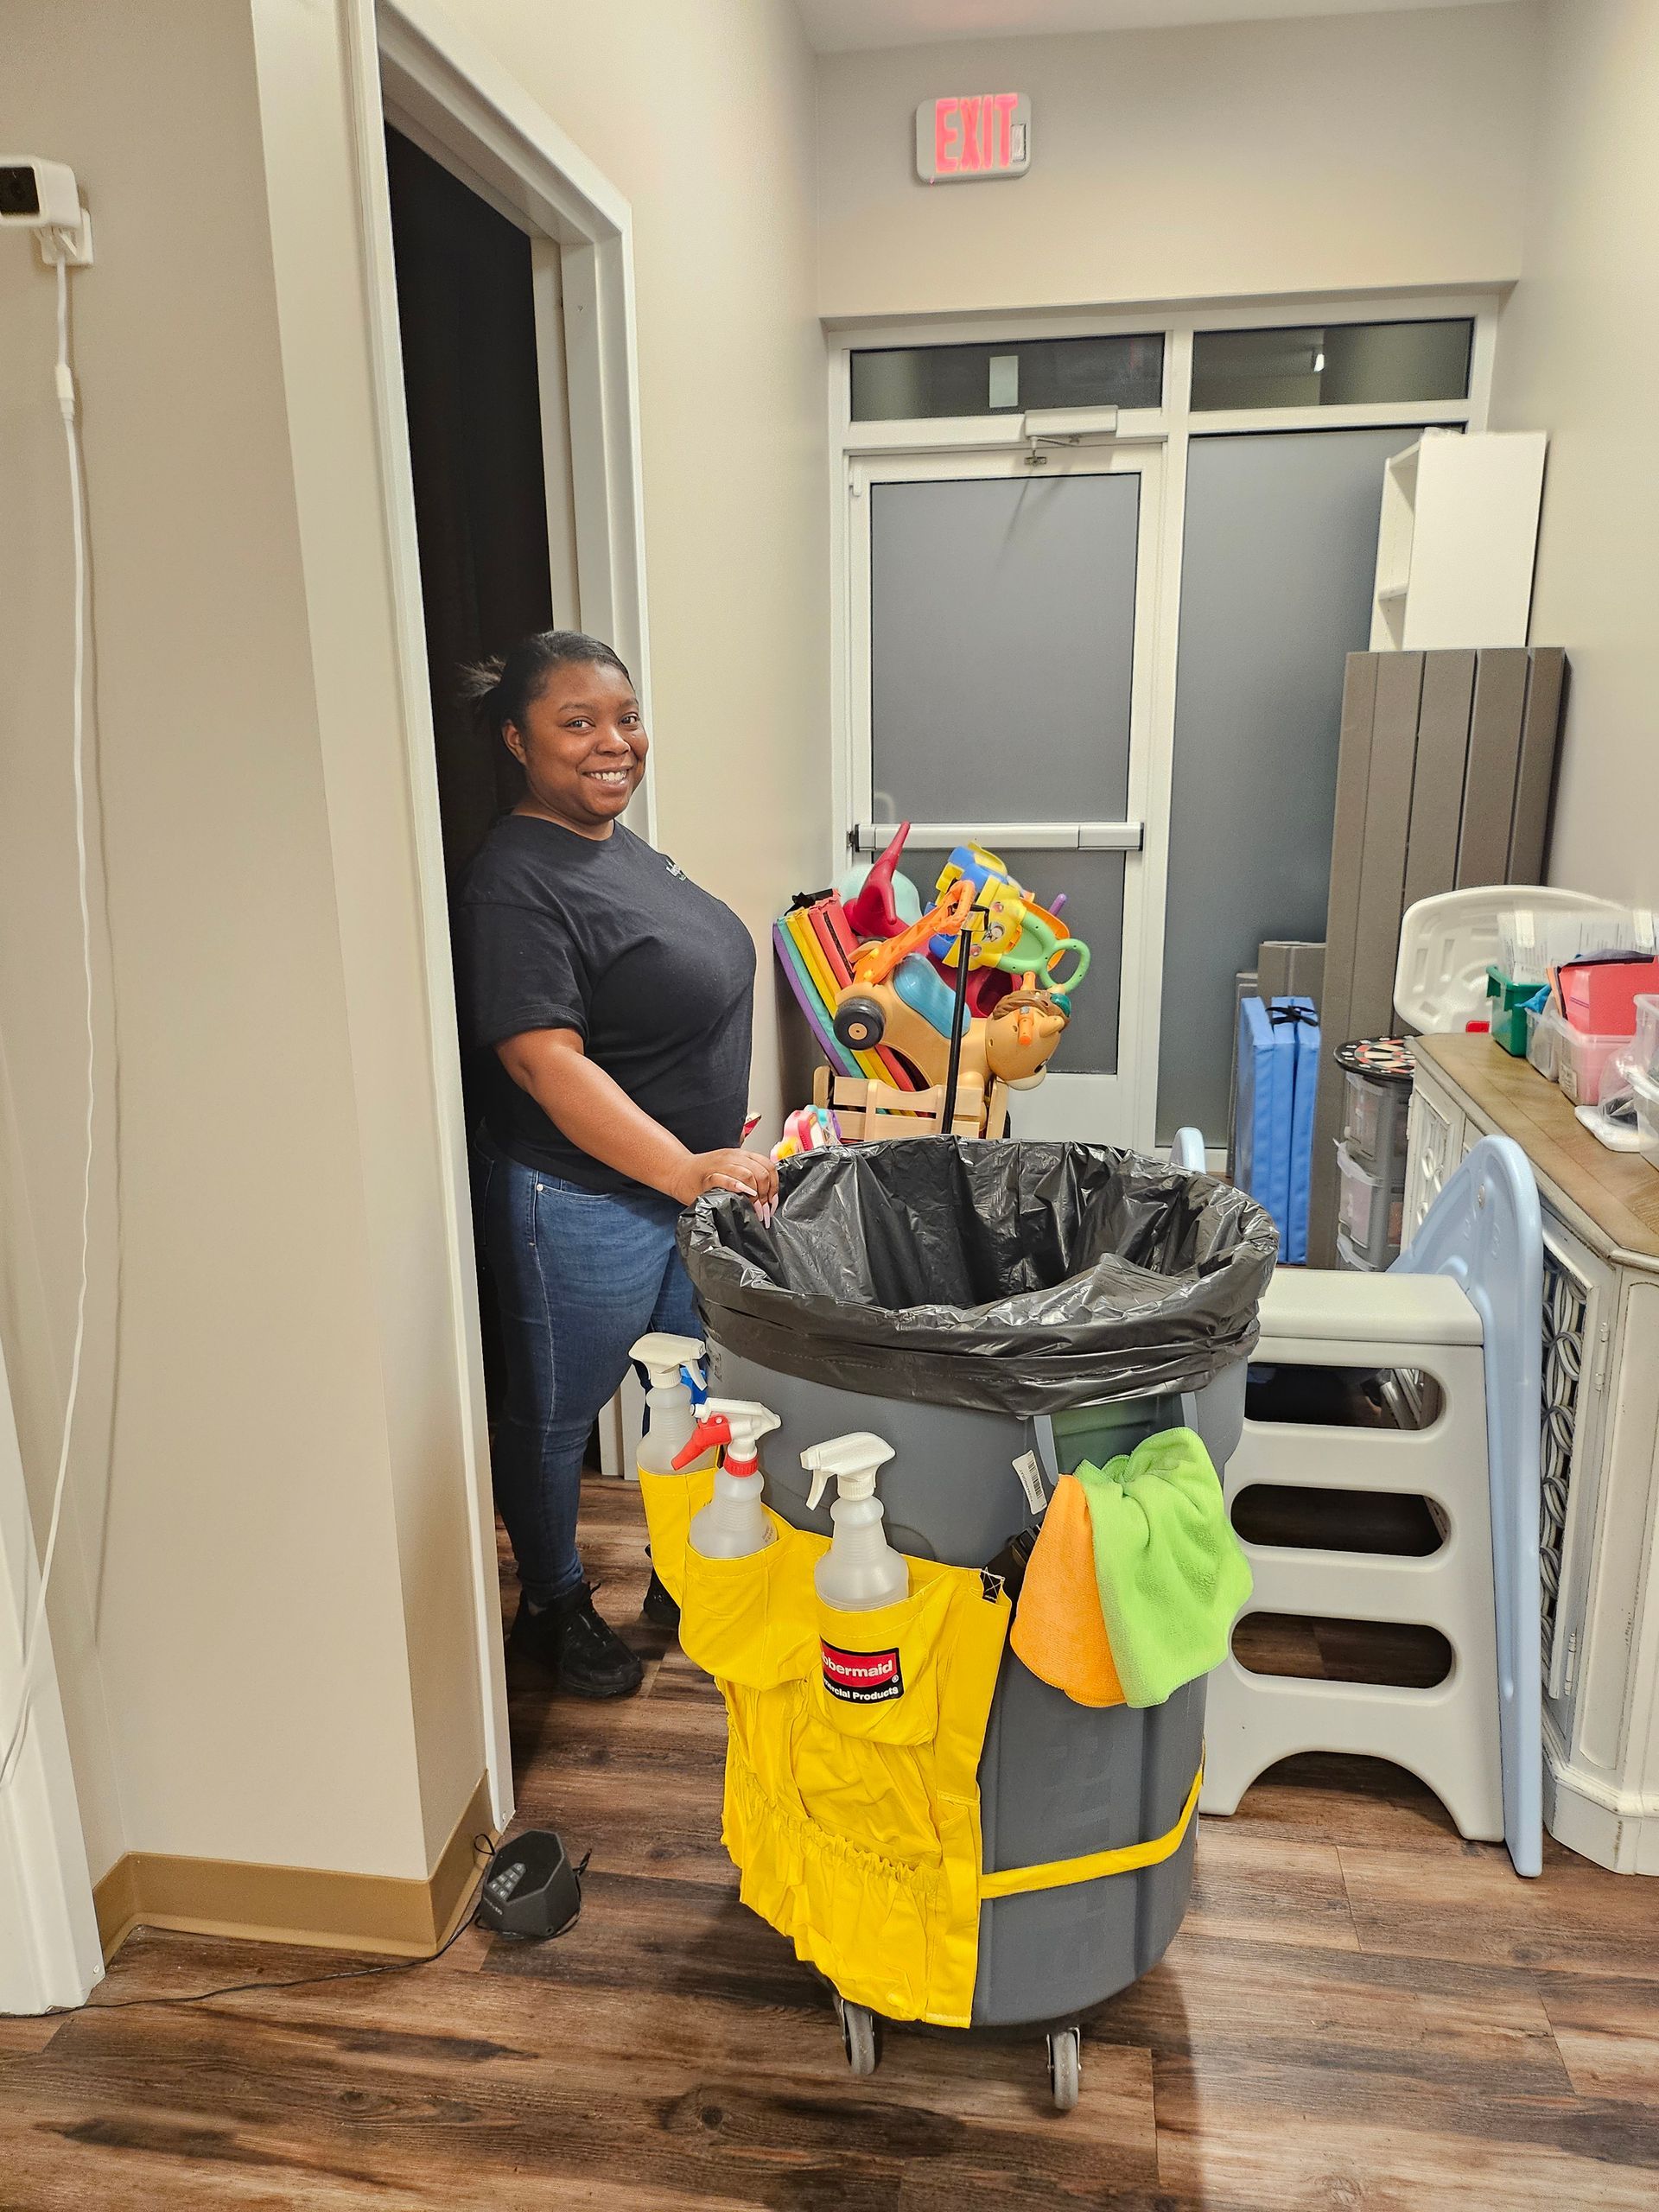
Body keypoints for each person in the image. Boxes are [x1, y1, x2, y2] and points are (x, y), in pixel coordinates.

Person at [455, 631, 778, 1698]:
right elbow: (542, 1063)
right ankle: (551, 1603)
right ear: (517, 740)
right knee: (557, 1415)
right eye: (578, 722)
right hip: (581, 1201)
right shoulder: (515, 879)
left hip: (679, 1188)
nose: (615, 742)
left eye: (626, 718)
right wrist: (683, 1167)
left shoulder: (614, 845)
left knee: (690, 1392)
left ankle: (680, 1572)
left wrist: (708, 1147)